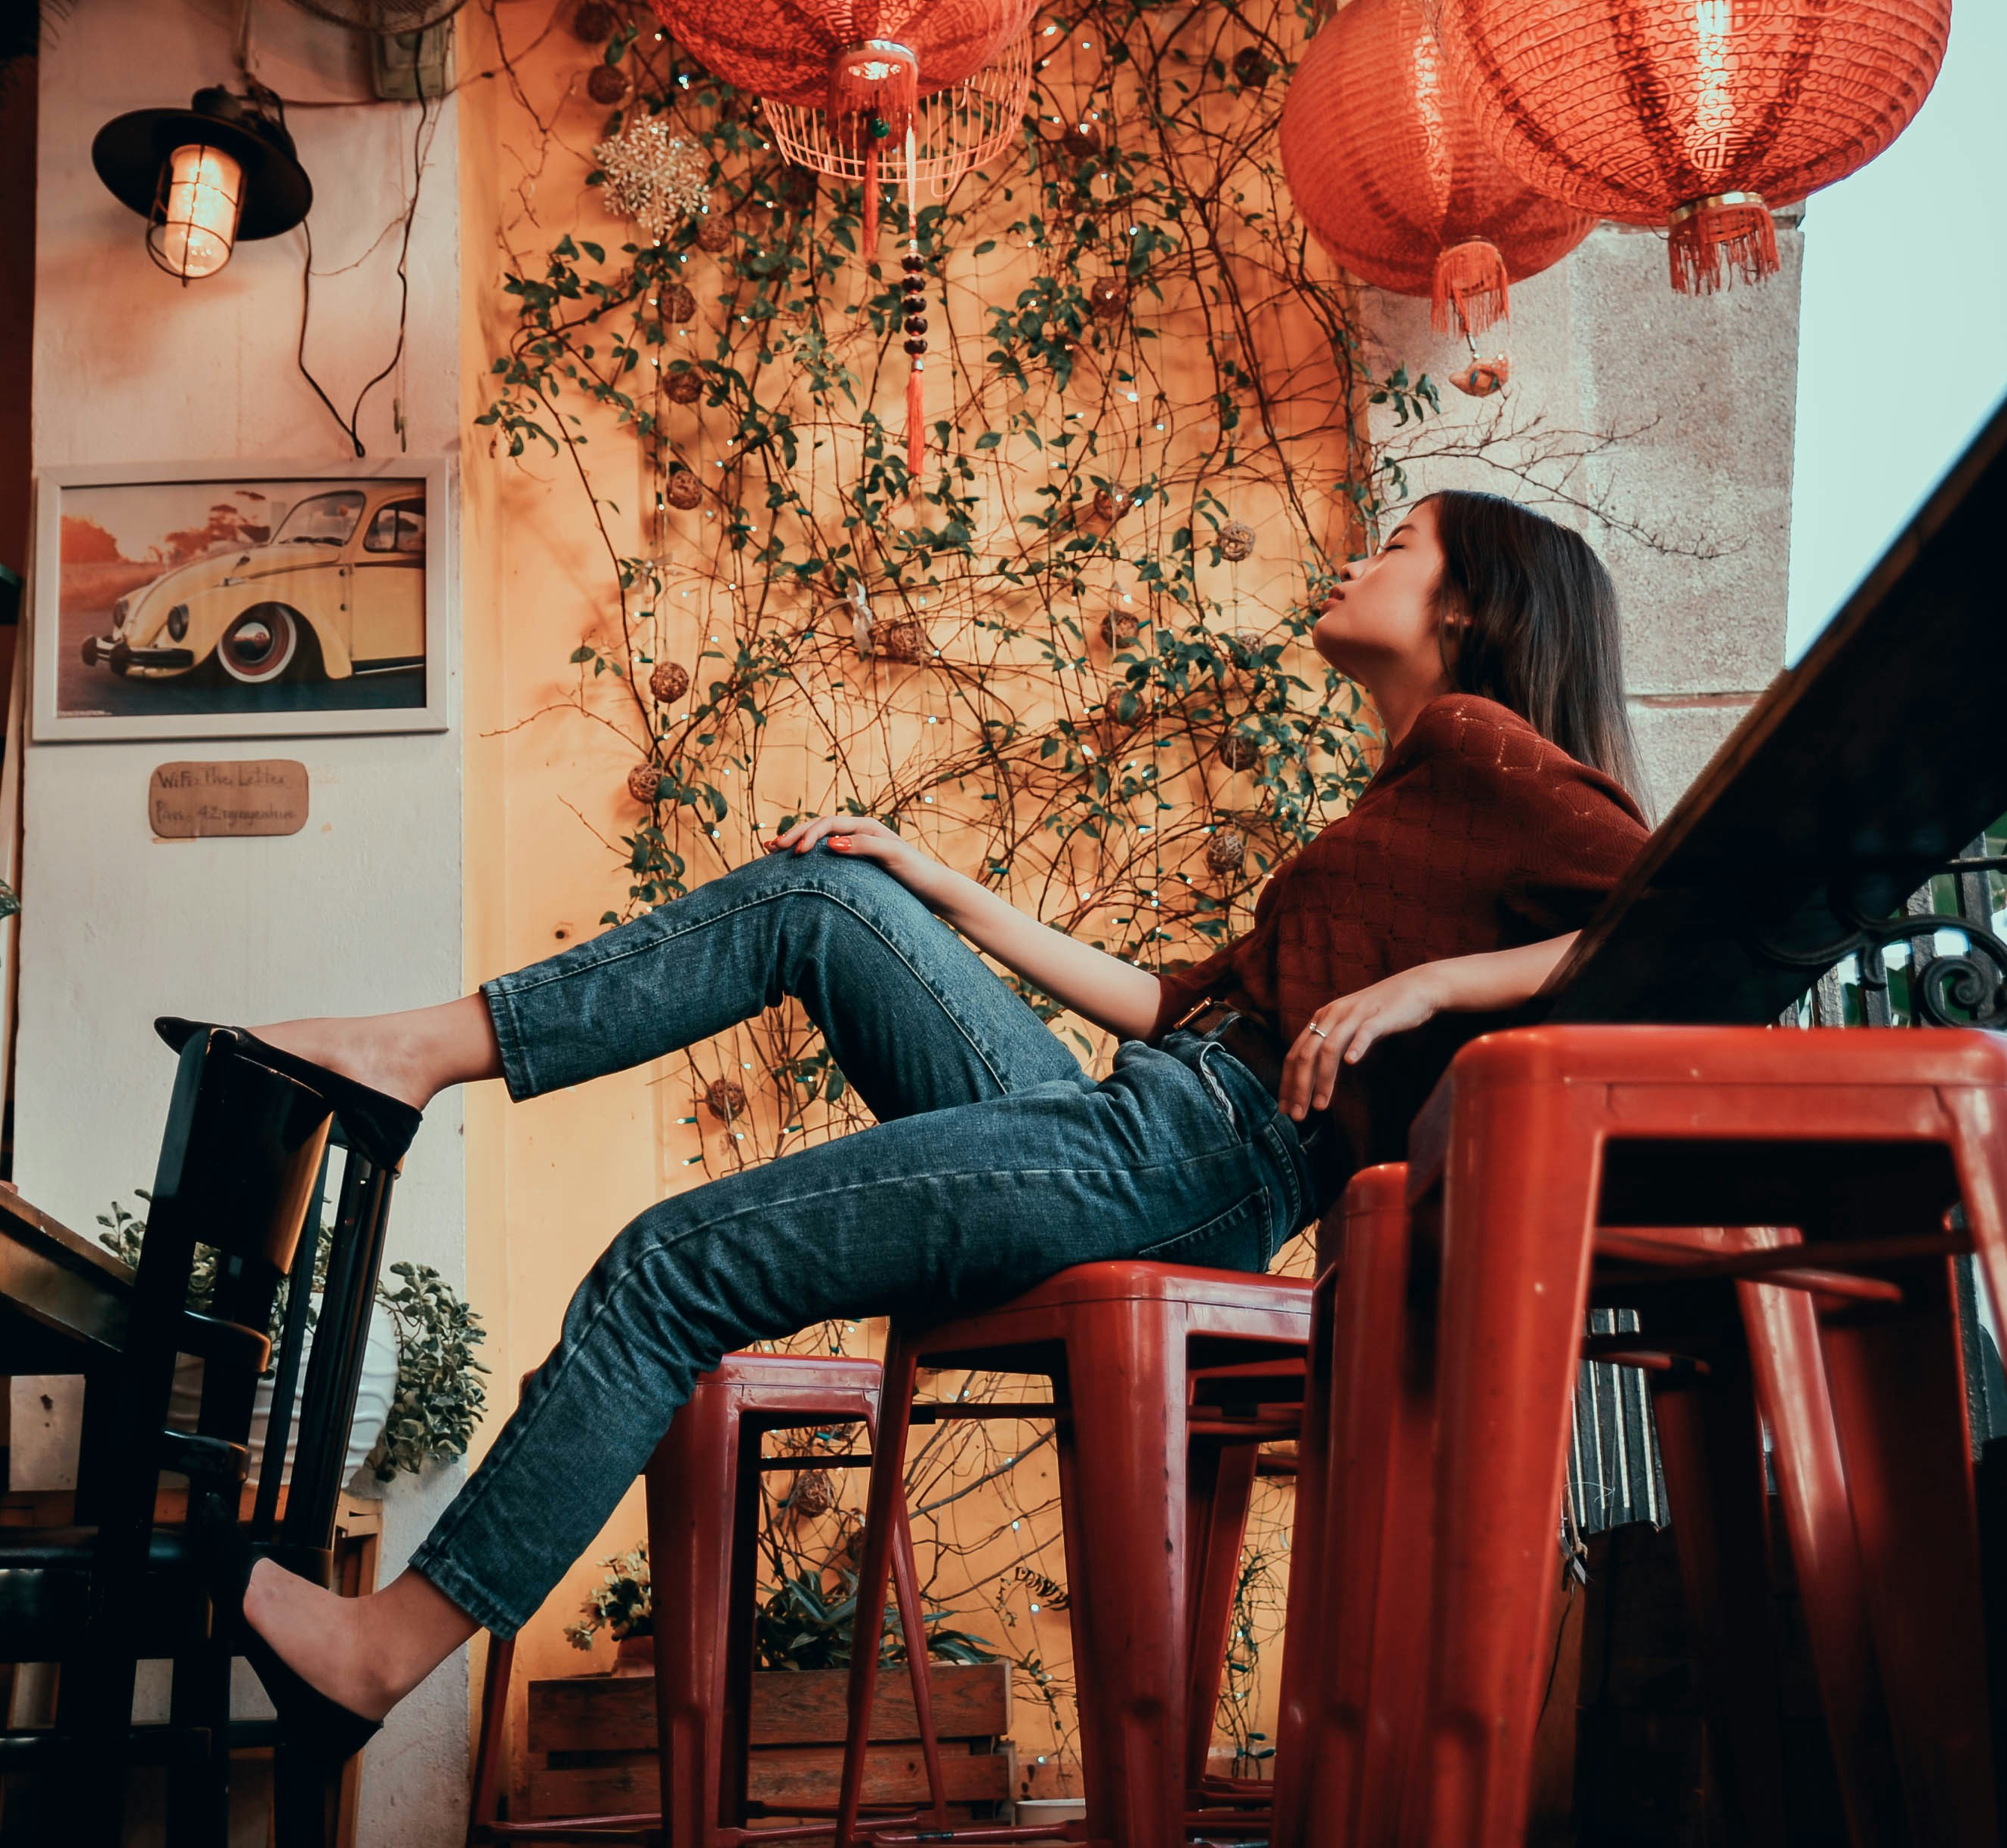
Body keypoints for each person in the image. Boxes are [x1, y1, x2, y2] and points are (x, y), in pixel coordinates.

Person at [178, 489, 1654, 1757]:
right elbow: (1167, 999)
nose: (1355, 562)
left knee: (672, 1264)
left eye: (1395, 545)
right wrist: (935, 885)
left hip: (1198, 1155)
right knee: (825, 897)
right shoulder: (1410, 789)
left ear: (1468, 612)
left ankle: (381, 1656)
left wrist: (1434, 989)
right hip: (1155, 1116)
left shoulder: (1484, 751)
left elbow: (1671, 915)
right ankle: (406, 1052)